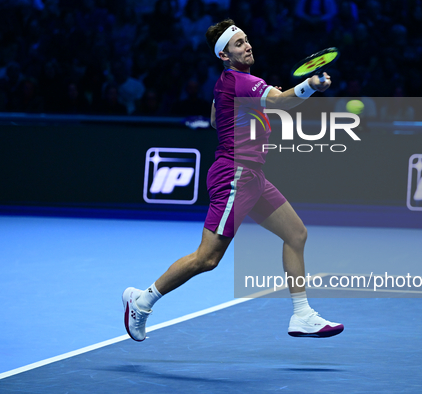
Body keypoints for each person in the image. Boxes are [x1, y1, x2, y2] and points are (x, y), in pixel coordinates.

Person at [123, 18, 344, 341]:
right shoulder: (242, 83)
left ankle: (302, 315)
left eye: (247, 40)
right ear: (224, 55)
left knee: (296, 234)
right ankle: (142, 302)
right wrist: (311, 86)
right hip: (235, 175)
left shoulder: (231, 83)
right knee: (207, 258)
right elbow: (282, 101)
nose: (248, 45)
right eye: (239, 43)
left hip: (252, 176)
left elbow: (216, 119)